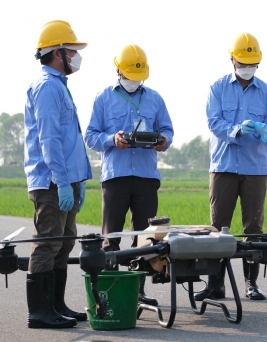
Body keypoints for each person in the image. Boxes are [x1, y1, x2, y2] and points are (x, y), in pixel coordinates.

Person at [84, 44, 174, 307]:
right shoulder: (102, 98)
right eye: (130, 76)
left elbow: (167, 129)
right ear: (118, 71)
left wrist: (163, 140)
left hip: (146, 175)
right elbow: (90, 136)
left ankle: (138, 290)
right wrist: (112, 139)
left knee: (144, 236)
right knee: (111, 236)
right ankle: (110, 290)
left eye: (139, 77)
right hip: (116, 176)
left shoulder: (155, 98)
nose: (135, 81)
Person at [194, 32, 267, 301]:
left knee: (253, 227)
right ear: (232, 59)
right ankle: (215, 284)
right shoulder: (217, 88)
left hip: (255, 168)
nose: (248, 67)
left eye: (253, 63)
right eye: (243, 62)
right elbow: (213, 123)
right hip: (224, 166)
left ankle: (251, 283)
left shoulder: (266, 92)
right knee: (218, 227)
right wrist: (236, 130)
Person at [24, 20, 92, 328]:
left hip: (67, 181)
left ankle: (56, 305)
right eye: (72, 50)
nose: (76, 56)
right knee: (48, 242)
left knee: (64, 243)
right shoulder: (48, 88)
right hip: (51, 181)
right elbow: (48, 139)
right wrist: (64, 182)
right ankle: (39, 312)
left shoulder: (60, 86)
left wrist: (80, 180)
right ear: (56, 53)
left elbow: (70, 139)